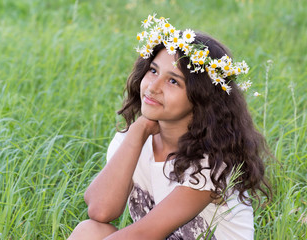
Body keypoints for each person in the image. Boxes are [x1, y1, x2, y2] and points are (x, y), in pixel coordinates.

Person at [68, 14, 271, 240]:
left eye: (173, 81)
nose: (153, 87)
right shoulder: (132, 141)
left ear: (200, 98)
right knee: (90, 230)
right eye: (153, 71)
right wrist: (138, 130)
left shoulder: (212, 162)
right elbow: (100, 210)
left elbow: (145, 234)